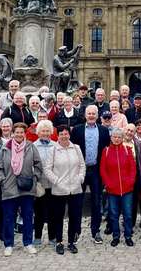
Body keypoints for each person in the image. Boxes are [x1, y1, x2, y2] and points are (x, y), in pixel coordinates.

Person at [0, 123, 44, 256]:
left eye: (22, 132)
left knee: (28, 216)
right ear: (12, 133)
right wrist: (2, 181)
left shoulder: (30, 147)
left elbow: (38, 165)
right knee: (9, 217)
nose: (19, 135)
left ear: (25, 134)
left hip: (27, 188)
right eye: (17, 132)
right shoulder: (5, 149)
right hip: (9, 188)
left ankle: (28, 243)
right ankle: (8, 244)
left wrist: (34, 178)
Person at [71, 105, 110, 244]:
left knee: (96, 202)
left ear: (98, 115)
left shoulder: (104, 131)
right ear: (85, 115)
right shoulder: (77, 130)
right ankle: (75, 231)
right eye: (89, 113)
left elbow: (107, 152)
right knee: (77, 202)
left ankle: (96, 231)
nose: (91, 115)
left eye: (94, 113)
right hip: (80, 171)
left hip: (96, 171)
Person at [44, 125, 85, 254]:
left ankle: (71, 241)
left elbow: (82, 165)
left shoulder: (76, 148)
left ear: (69, 134)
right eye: (61, 134)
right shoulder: (53, 150)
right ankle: (59, 242)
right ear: (57, 136)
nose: (64, 136)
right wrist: (56, 181)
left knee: (74, 216)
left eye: (66, 133)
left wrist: (80, 178)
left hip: (75, 188)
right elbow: (47, 169)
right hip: (59, 189)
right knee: (58, 216)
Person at [100, 128, 136, 247]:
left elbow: (132, 168)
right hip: (112, 189)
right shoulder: (106, 151)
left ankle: (128, 236)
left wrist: (130, 181)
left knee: (128, 214)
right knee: (114, 214)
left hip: (127, 189)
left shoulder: (127, 150)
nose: (116, 139)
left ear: (122, 138)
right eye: (114, 137)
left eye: (119, 137)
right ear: (111, 138)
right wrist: (108, 183)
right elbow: (103, 170)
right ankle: (116, 236)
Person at [33, 120, 58, 246]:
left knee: (53, 211)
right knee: (39, 212)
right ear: (38, 132)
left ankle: (52, 237)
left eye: (48, 130)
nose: (45, 133)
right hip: (40, 184)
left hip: (53, 184)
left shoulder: (55, 145)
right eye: (43, 130)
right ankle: (37, 236)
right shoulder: (33, 146)